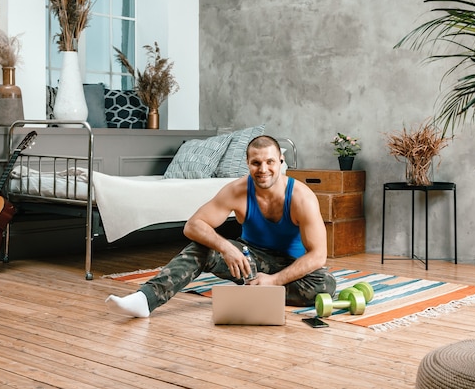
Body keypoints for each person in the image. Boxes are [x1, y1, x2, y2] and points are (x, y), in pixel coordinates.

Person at [105, 135, 336, 318]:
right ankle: (145, 300)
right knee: (202, 248)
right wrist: (226, 247)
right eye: (256, 163)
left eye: (269, 162)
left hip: (290, 267)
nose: (263, 169)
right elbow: (193, 225)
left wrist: (274, 280)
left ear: (281, 163)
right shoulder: (236, 191)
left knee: (325, 285)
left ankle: (257, 292)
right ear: (247, 164)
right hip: (250, 262)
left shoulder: (301, 197)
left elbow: (318, 255)